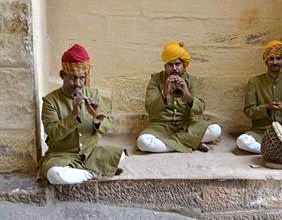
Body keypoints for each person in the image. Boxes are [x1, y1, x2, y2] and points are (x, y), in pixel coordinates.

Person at [39, 44, 126, 184]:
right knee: (54, 175)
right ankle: (93, 172)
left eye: (82, 78)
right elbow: (53, 132)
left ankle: (83, 172)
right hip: (63, 155)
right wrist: (73, 116)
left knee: (120, 154)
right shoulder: (50, 101)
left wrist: (96, 117)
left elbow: (108, 127)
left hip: (91, 152)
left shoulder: (93, 94)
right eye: (73, 78)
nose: (78, 84)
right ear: (62, 75)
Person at [137, 41, 222, 153]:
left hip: (186, 125)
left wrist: (186, 93)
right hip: (160, 126)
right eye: (170, 65)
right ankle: (192, 143)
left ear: (184, 66)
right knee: (143, 142)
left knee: (215, 130)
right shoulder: (156, 80)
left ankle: (171, 145)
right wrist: (164, 92)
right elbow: (150, 109)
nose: (174, 68)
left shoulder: (191, 80)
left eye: (177, 64)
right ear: (165, 66)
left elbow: (200, 109)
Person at [236, 39, 282, 153]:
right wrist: (266, 107)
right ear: (266, 61)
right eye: (271, 58)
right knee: (242, 141)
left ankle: (273, 149)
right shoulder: (254, 82)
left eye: (278, 58)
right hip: (261, 131)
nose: (275, 62)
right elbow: (248, 111)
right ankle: (275, 150)